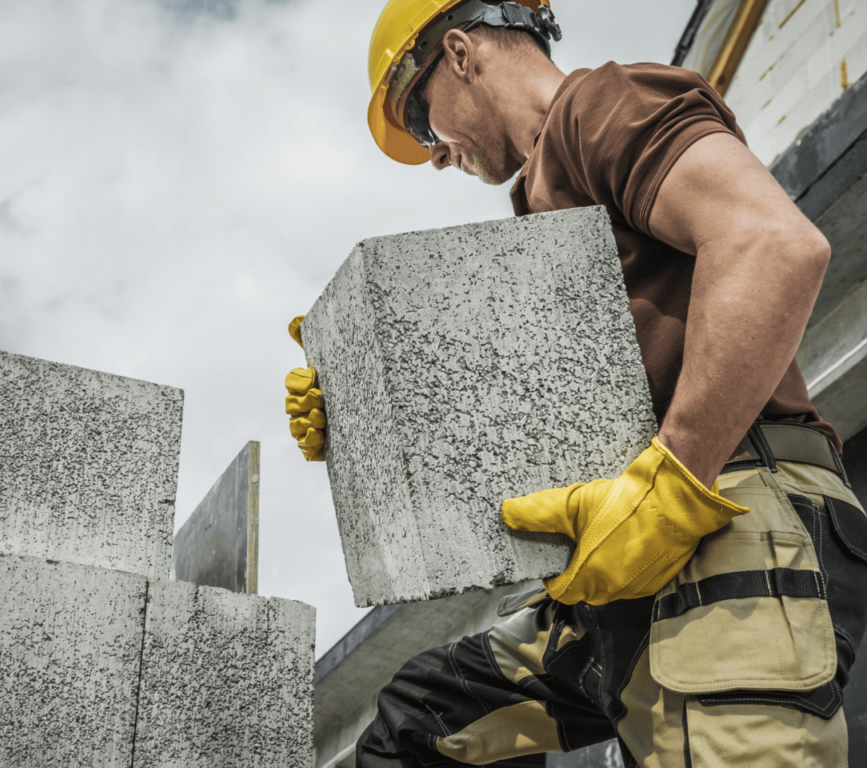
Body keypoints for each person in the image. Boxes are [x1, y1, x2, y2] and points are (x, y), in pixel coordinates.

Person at [284, 1, 867, 765]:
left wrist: (674, 481)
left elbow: (774, 244)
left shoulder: (600, 105)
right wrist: (369, 415)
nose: (432, 153)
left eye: (422, 122)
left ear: (459, 52)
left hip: (729, 510)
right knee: (422, 725)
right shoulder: (538, 210)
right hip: (622, 562)